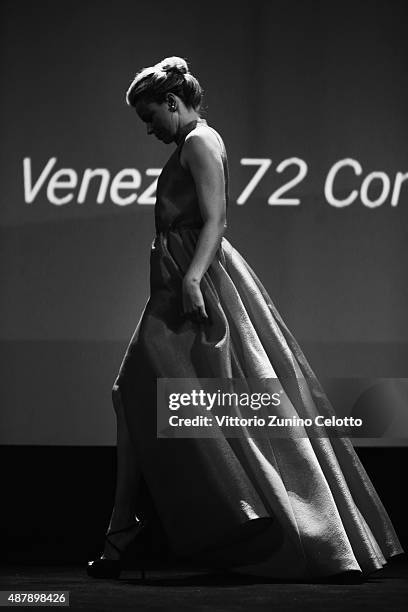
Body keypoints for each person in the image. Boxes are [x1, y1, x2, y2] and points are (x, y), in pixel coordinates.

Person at [87, 55, 403, 581]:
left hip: (195, 282)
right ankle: (128, 529)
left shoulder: (199, 142)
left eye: (150, 117)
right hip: (176, 282)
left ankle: (305, 529)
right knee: (141, 396)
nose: (148, 129)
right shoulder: (191, 143)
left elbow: (217, 219)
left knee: (218, 396)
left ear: (173, 102)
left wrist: (190, 280)